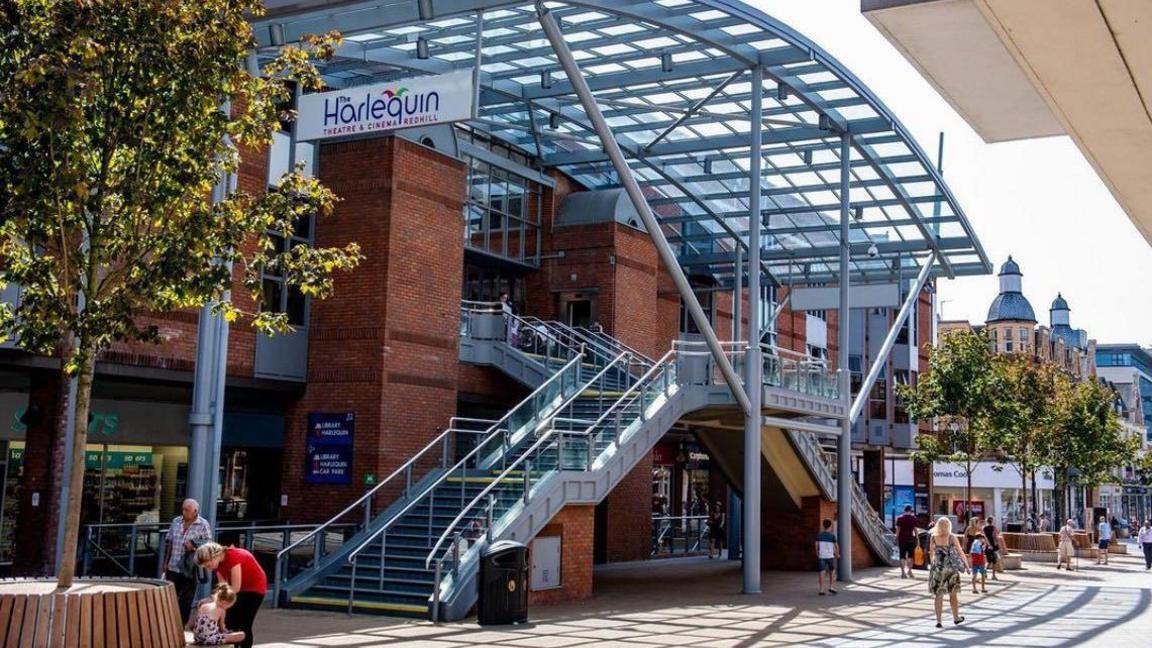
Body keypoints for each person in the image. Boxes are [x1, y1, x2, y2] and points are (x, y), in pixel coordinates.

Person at [196, 542, 267, 648]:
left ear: (214, 556)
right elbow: (223, 589)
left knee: (244, 623)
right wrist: (211, 599)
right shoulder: (218, 565)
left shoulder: (233, 557)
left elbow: (235, 587)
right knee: (229, 621)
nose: (209, 569)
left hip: (254, 589)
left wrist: (212, 599)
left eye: (208, 565)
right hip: (238, 590)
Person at [163, 498, 212, 623]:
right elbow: (170, 542)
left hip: (190, 568)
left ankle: (180, 625)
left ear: (195, 511)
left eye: (187, 510)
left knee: (186, 600)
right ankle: (167, 623)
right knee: (169, 597)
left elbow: (208, 544)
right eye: (183, 509)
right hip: (173, 566)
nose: (184, 512)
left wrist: (194, 545)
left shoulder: (203, 524)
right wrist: (165, 562)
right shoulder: (176, 521)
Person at [928, 517, 968, 628]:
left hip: (938, 568)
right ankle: (956, 618)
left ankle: (939, 621)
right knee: (953, 594)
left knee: (938, 595)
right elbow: (960, 552)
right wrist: (967, 566)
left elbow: (931, 553)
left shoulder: (933, 538)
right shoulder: (952, 537)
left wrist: (933, 565)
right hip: (951, 568)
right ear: (949, 526)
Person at [815, 518, 839, 596]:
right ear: (830, 526)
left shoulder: (819, 535)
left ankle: (821, 590)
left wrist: (817, 553)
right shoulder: (832, 536)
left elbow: (816, 545)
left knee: (822, 572)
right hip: (830, 556)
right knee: (832, 571)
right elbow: (836, 546)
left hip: (822, 556)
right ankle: (831, 587)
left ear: (823, 526)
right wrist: (837, 554)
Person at [895, 505, 919, 579]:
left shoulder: (899, 518)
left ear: (904, 510)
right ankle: (909, 571)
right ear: (910, 510)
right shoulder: (913, 518)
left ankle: (903, 573)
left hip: (902, 539)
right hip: (910, 539)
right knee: (910, 556)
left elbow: (898, 530)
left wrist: (896, 538)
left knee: (902, 556)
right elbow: (915, 530)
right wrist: (917, 538)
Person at [981, 516, 1001, 581]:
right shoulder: (993, 528)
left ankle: (985, 572)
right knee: (994, 561)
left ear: (987, 521)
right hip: (993, 545)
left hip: (987, 546)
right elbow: (995, 537)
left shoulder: (984, 528)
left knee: (988, 561)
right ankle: (993, 575)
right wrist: (998, 545)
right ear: (992, 521)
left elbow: (983, 537)